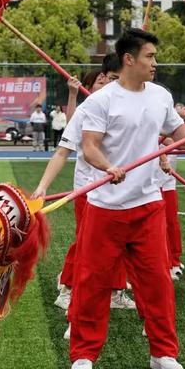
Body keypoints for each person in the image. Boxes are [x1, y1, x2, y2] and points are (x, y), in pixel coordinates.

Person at [69, 28, 185, 369]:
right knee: (92, 284)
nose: (155, 63)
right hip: (105, 208)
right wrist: (109, 167)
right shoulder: (101, 100)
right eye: (149, 56)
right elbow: (89, 148)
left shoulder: (160, 96)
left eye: (155, 57)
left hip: (148, 206)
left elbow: (176, 133)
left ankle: (163, 354)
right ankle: (84, 356)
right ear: (129, 59)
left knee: (157, 284)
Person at [32, 55, 132, 325]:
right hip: (90, 190)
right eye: (105, 80)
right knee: (87, 243)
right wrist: (42, 186)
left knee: (121, 243)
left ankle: (115, 290)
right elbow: (63, 151)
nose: (110, 84)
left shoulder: (132, 106)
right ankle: (68, 286)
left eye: (112, 80)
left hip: (123, 192)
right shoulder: (89, 110)